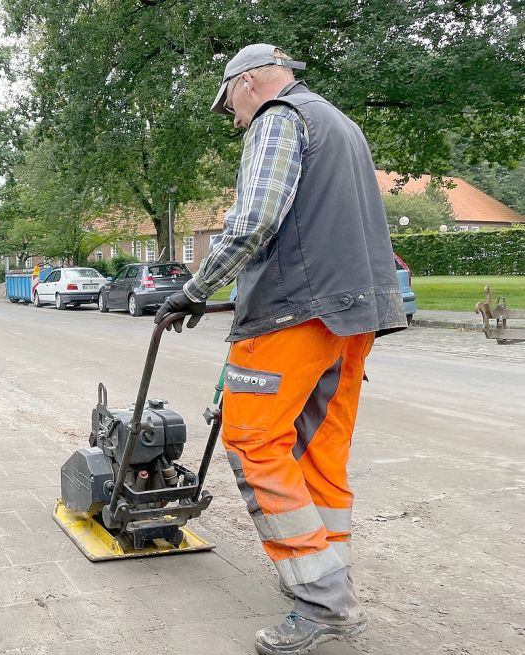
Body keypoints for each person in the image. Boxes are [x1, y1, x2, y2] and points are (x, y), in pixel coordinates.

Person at [154, 44, 407, 655]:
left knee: (251, 439)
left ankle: (322, 605)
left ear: (247, 84)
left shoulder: (279, 118)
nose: (235, 120)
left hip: (294, 309)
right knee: (320, 453)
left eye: (230, 107)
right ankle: (330, 584)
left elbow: (253, 221)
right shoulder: (341, 124)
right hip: (354, 315)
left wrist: (194, 289)